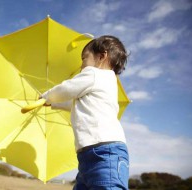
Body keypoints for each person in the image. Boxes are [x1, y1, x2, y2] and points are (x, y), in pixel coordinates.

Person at [41, 35, 129, 190]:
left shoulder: (95, 74)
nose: (81, 66)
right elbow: (76, 104)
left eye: (84, 59)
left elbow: (67, 89)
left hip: (105, 152)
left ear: (102, 56)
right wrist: (54, 103)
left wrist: (47, 95)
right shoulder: (104, 83)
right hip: (88, 154)